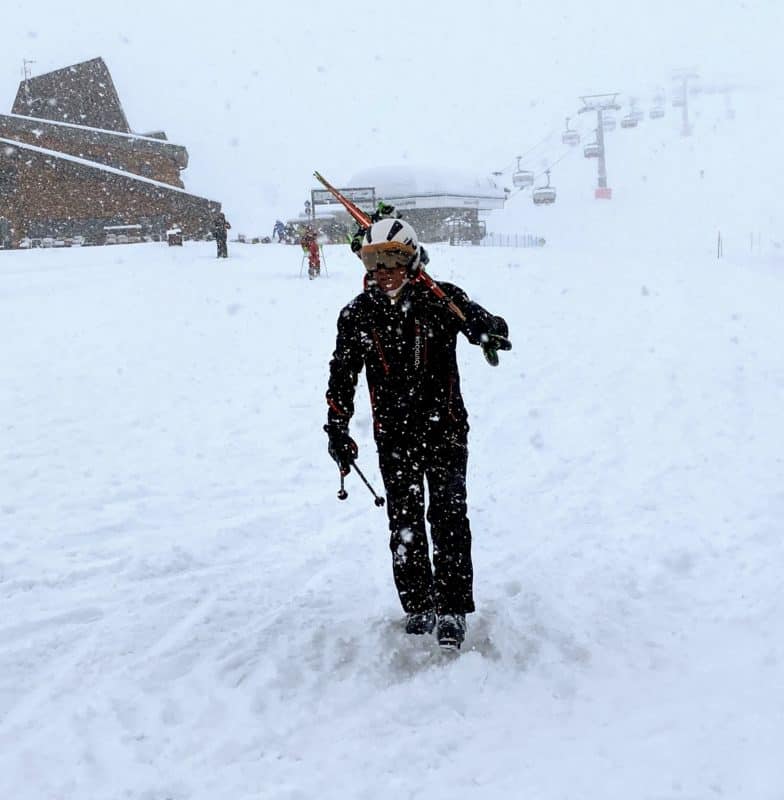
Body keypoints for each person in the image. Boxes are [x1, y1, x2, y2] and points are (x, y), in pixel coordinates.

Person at [324, 217, 511, 650]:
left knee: (448, 517)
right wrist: (337, 424)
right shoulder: (357, 315)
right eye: (374, 263)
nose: (383, 272)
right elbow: (342, 373)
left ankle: (451, 609)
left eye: (393, 261)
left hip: (444, 428)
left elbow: (481, 323)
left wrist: (489, 330)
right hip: (394, 436)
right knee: (403, 522)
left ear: (411, 262)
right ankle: (419, 604)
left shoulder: (440, 299)